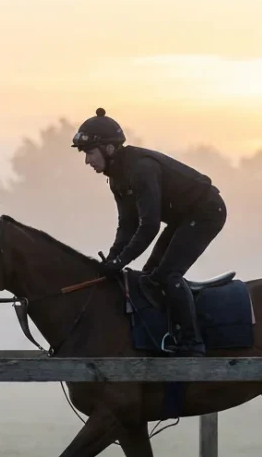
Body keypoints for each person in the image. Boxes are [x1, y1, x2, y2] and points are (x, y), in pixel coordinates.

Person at [71, 108, 227, 356]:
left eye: (90, 153)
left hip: (206, 212)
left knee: (168, 275)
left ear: (109, 149)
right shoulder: (117, 178)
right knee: (148, 277)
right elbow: (127, 226)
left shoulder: (140, 169)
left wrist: (121, 261)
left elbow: (150, 225)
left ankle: (192, 341)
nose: (87, 161)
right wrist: (112, 260)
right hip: (183, 218)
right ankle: (167, 333)